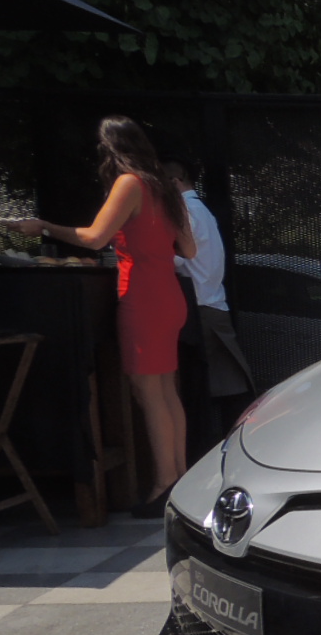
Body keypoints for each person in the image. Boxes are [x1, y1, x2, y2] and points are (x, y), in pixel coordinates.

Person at [12, 116, 194, 518]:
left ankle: (164, 483)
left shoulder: (130, 183)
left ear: (109, 149)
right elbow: (190, 250)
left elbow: (94, 237)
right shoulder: (166, 187)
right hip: (169, 295)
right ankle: (179, 477)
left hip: (142, 296)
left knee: (149, 393)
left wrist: (44, 227)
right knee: (166, 390)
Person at [158, 153, 255, 425]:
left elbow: (183, 258)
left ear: (174, 181)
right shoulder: (201, 210)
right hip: (210, 302)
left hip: (200, 306)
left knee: (209, 386)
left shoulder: (185, 212)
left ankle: (223, 441)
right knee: (227, 383)